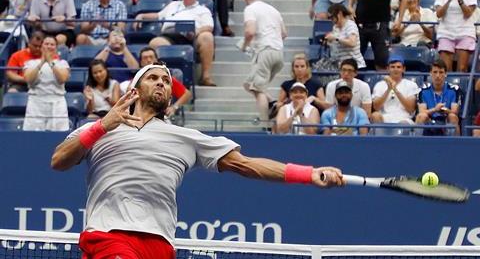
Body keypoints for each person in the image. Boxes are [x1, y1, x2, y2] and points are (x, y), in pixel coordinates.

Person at [50, 64, 345, 259]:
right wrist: (102, 126)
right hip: (108, 232)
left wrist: (309, 173)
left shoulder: (186, 137)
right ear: (134, 90)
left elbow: (247, 164)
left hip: (159, 241)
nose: (162, 83)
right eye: (153, 78)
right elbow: (59, 161)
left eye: (166, 81)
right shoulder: (99, 129)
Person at [133, 0, 216, 86]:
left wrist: (196, 32)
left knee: (207, 36)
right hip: (170, 35)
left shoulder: (203, 9)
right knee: (155, 43)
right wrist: (142, 15)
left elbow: (209, 26)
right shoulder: (173, 5)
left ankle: (205, 77)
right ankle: (156, 78)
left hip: (191, 36)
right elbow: (158, 15)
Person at [241, 0, 287, 123]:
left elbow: (250, 32)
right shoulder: (273, 10)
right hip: (278, 53)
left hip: (265, 51)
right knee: (248, 84)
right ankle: (272, 102)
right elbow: (284, 34)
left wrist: (245, 45)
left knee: (258, 89)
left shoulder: (250, 9)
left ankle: (264, 124)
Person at [349, 0, 406, 70]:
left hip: (380, 25)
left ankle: (383, 82)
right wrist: (350, 6)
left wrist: (400, 20)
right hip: (360, 25)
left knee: (382, 63)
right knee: (353, 63)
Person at [23, 35, 70, 131]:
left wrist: (50, 62)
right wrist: (41, 63)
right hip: (36, 103)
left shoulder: (62, 63)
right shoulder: (31, 63)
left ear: (56, 48)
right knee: (33, 135)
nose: (49, 46)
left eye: (52, 44)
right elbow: (29, 79)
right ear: (41, 46)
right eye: (46, 44)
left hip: (57, 104)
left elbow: (62, 78)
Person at [138, 46, 192, 117]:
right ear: (141, 62)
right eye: (145, 58)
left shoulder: (166, 79)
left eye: (151, 57)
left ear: (156, 60)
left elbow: (187, 94)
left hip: (162, 116)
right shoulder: (136, 80)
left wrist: (174, 107)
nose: (148, 60)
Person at [435, 0, 477, 72]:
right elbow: (439, 14)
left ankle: (462, 85)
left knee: (462, 69)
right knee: (445, 69)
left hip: (465, 32)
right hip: (446, 32)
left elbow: (468, 13)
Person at [416, 60, 460, 135]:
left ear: (445, 74)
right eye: (435, 72)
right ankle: (416, 144)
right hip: (429, 120)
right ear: (430, 73)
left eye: (441, 72)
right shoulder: (423, 90)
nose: (438, 75)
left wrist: (444, 110)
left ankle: (456, 145)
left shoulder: (454, 89)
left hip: (446, 119)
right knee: (421, 116)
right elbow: (422, 111)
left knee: (453, 117)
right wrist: (435, 109)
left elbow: (454, 111)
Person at [371, 55, 419, 124]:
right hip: (384, 117)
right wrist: (388, 90)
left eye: (398, 67)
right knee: (375, 115)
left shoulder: (411, 85)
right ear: (388, 69)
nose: (395, 69)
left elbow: (410, 109)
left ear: (403, 69)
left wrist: (395, 90)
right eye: (392, 67)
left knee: (404, 123)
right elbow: (376, 107)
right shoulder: (379, 85)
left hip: (404, 118)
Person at [324, 3, 366, 70]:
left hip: (355, 66)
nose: (331, 20)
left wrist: (336, 38)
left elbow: (352, 43)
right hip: (342, 66)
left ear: (339, 14)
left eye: (332, 17)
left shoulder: (350, 25)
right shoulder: (335, 28)